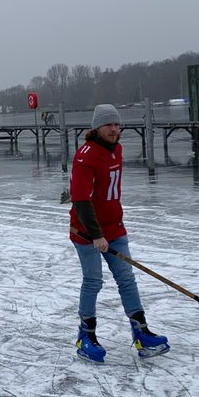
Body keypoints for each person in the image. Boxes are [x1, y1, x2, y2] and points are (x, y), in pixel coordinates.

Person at [69, 104, 169, 363]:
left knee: (127, 278)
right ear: (96, 128)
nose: (114, 129)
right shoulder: (85, 157)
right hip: (86, 231)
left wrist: (110, 228)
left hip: (114, 227)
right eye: (108, 125)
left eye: (116, 124)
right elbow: (80, 200)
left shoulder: (117, 149)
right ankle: (86, 336)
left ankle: (141, 334)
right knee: (93, 281)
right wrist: (95, 234)